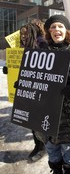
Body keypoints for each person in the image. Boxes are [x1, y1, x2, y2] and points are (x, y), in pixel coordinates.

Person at [38, 15, 70, 174]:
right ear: (49, 32)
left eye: (60, 26)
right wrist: (23, 84)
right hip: (46, 109)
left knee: (69, 145)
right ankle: (56, 172)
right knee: (50, 144)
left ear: (66, 31)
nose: (57, 30)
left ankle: (69, 172)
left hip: (68, 112)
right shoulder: (41, 53)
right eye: (53, 27)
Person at [18, 20, 48, 162]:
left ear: (33, 33)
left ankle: (42, 146)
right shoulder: (25, 46)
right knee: (31, 119)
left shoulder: (42, 44)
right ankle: (38, 145)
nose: (23, 37)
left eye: (25, 34)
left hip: (41, 90)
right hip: (29, 89)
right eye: (21, 35)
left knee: (38, 120)